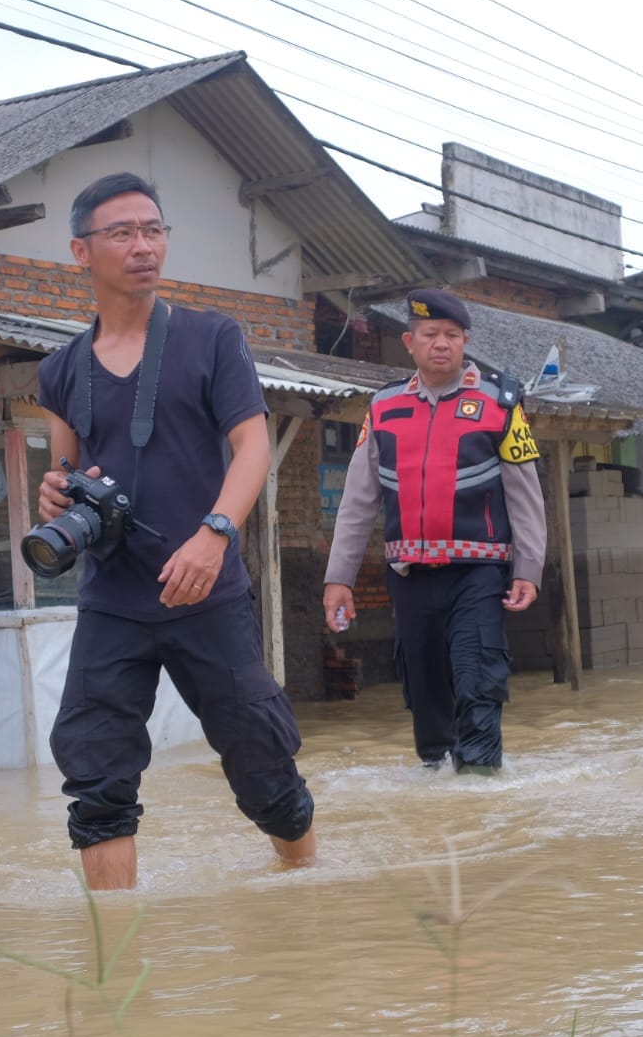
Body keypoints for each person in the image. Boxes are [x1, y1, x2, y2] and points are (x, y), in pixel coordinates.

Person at [34, 172, 315, 889]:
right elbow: (65, 471)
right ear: (80, 251)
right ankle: (112, 960)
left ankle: (306, 891)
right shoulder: (60, 370)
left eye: (153, 230)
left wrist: (215, 531)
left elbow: (252, 446)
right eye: (122, 233)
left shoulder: (212, 338)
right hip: (113, 599)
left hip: (206, 591)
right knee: (96, 779)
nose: (142, 246)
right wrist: (51, 495)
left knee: (263, 770)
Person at [322, 289, 546, 773]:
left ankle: (482, 784)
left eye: (451, 335)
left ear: (465, 340)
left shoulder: (499, 405)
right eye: (429, 335)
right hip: (409, 576)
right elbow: (358, 501)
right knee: (424, 691)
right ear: (409, 341)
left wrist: (528, 568)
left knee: (478, 680)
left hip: (479, 573)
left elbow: (525, 494)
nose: (440, 344)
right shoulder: (382, 408)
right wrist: (337, 579)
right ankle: (439, 795)